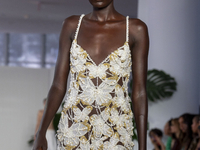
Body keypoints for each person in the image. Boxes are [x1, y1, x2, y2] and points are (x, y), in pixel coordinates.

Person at [33, 0, 149, 150]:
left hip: (115, 132)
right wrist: (41, 133)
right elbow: (58, 85)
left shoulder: (135, 29)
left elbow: (139, 92)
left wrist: (143, 147)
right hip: (74, 129)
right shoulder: (72, 25)